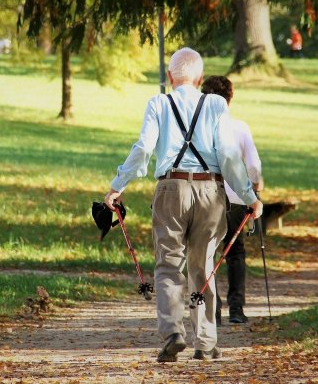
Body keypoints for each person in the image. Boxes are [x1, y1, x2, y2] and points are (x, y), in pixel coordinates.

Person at [104, 47, 263, 363]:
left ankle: (173, 333)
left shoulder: (158, 103)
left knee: (168, 264)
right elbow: (229, 156)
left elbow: (143, 149)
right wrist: (250, 197)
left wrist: (117, 186)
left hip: (171, 189)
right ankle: (205, 342)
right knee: (202, 266)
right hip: (210, 191)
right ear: (200, 78)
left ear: (169, 76)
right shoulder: (216, 104)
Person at [199, 75, 263, 325]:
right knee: (235, 252)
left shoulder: (198, 129)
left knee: (208, 252)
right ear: (230, 99)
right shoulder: (239, 127)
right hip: (236, 197)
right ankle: (236, 309)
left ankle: (212, 310)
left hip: (207, 196)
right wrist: (255, 186)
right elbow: (253, 164)